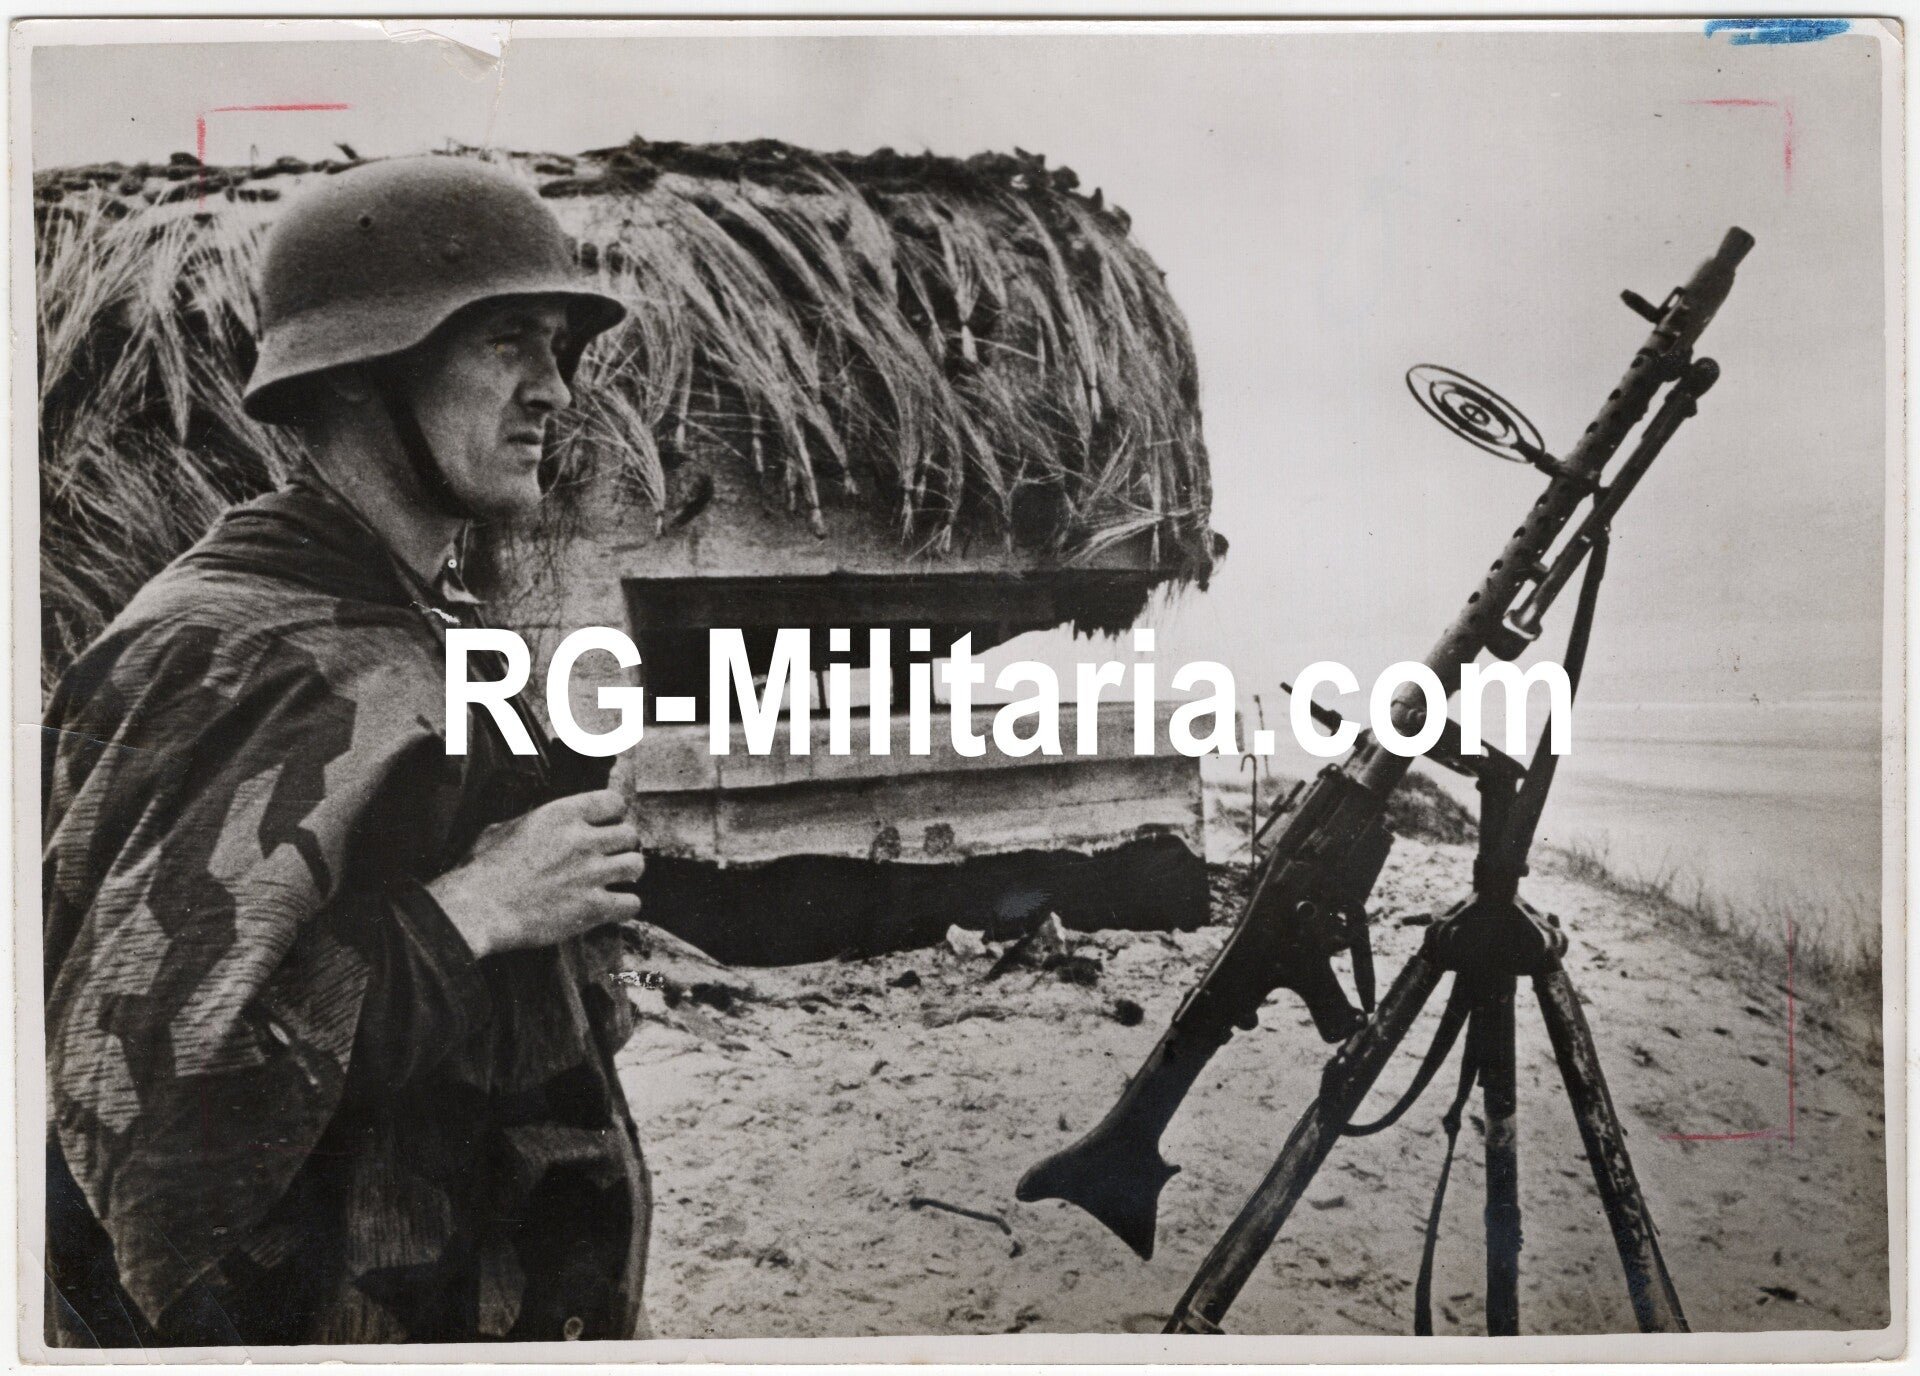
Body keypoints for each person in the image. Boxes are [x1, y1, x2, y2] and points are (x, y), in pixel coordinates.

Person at [42, 156, 654, 1345]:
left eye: (558, 345)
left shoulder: (424, 623)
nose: (555, 390)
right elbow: (146, 1097)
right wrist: (472, 909)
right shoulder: (218, 653)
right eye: (507, 342)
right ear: (367, 369)